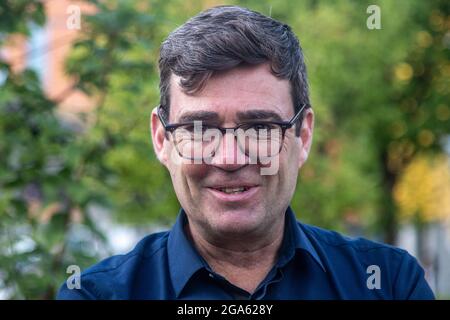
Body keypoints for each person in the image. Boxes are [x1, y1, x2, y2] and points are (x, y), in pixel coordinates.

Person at [57, 5, 434, 300]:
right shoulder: (94, 295)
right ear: (162, 139)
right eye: (198, 129)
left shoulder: (390, 285)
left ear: (303, 136)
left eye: (260, 128)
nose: (230, 158)